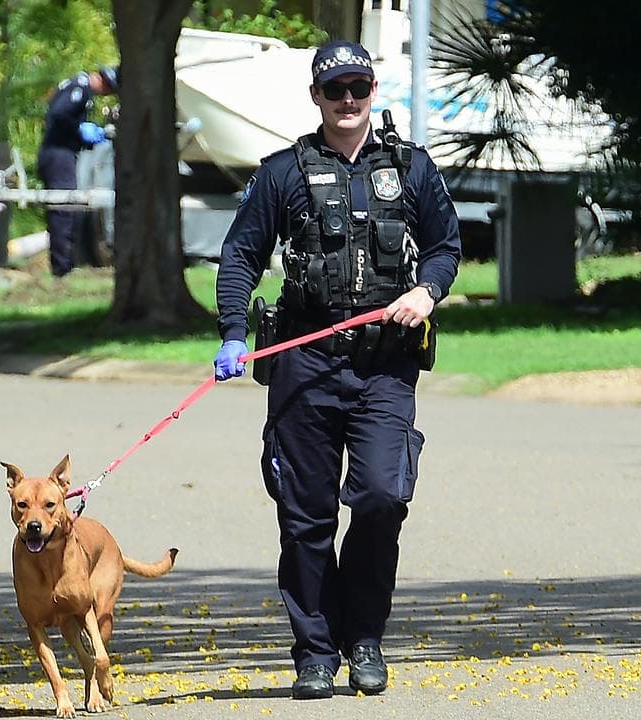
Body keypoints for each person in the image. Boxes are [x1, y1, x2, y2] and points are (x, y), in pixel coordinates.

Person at [211, 40, 461, 700]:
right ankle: (315, 652)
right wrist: (234, 333)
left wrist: (425, 292)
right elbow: (239, 257)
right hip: (303, 361)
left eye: (359, 87)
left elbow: (444, 247)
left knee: (382, 498)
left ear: (374, 91)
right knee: (305, 515)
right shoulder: (282, 172)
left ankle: (366, 636)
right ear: (315, 97)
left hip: (385, 368)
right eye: (335, 89)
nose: (348, 100)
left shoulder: (410, 168)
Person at [37, 65, 118, 277]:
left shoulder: (76, 84)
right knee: (63, 207)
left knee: (65, 207)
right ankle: (61, 268)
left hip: (60, 152)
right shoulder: (80, 88)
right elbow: (59, 113)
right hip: (58, 153)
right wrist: (79, 130)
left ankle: (64, 263)